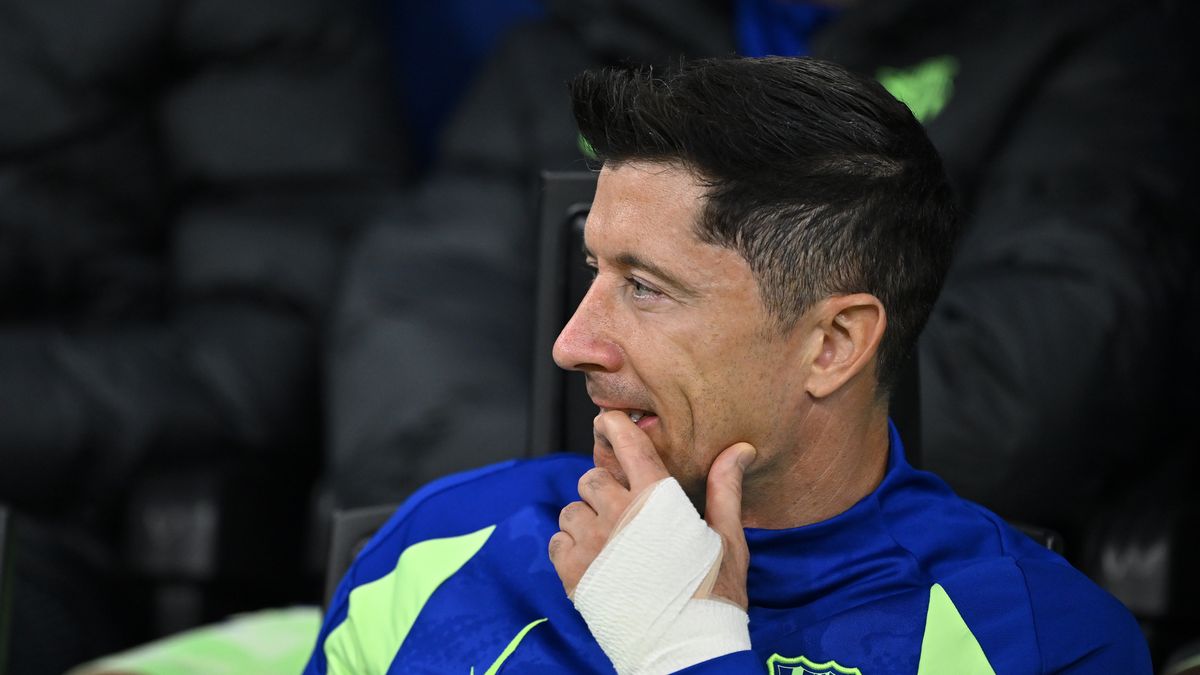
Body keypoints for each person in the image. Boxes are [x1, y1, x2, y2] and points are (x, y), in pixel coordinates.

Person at [306, 56, 1150, 674]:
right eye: (591, 270)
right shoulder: (435, 549)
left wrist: (680, 646)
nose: (572, 342)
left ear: (834, 344)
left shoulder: (1044, 645)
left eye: (645, 288)